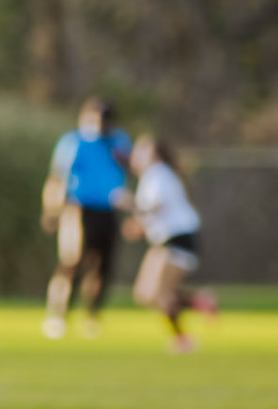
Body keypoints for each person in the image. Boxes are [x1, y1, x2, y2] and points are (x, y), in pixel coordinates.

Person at [41, 97, 132, 339]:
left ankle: (92, 314)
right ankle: (58, 314)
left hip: (108, 210)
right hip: (78, 208)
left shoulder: (118, 142)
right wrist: (51, 209)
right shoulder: (74, 142)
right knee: (73, 261)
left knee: (103, 266)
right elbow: (57, 177)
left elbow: (129, 170)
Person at [127, 136, 218, 353]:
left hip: (178, 237)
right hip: (166, 239)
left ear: (155, 155)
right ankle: (198, 301)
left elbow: (156, 205)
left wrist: (130, 206)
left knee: (160, 294)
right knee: (145, 294)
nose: (136, 155)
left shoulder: (157, 173)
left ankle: (182, 339)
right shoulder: (154, 175)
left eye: (142, 151)